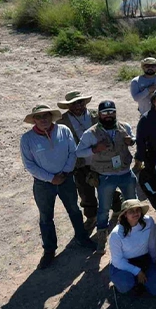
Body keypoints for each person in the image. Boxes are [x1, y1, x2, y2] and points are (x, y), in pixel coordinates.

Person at [21, 105, 96, 268]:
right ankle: (49, 250)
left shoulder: (63, 130)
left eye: (46, 116)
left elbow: (72, 152)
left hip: (66, 179)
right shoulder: (27, 139)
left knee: (74, 210)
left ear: (51, 117)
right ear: (34, 120)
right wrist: (51, 178)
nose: (43, 120)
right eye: (39, 117)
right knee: (46, 217)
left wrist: (64, 172)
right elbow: (29, 165)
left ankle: (82, 238)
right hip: (43, 183)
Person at [75, 100, 137, 232]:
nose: (108, 115)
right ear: (99, 114)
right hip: (105, 176)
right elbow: (79, 152)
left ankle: (134, 228)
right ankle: (102, 234)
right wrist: (95, 149)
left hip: (126, 173)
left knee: (133, 204)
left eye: (111, 112)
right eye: (105, 113)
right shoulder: (90, 133)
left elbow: (133, 138)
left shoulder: (124, 127)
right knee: (104, 209)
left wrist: (131, 141)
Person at [107, 199, 156, 297]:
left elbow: (152, 243)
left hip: (144, 259)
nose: (135, 213)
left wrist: (153, 261)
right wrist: (137, 271)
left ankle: (141, 282)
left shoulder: (149, 221)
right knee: (125, 284)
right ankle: (127, 281)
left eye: (138, 210)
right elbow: (117, 261)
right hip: (124, 263)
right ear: (125, 214)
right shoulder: (116, 234)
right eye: (131, 211)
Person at [57, 90, 98, 227]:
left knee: (108, 186)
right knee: (85, 191)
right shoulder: (61, 121)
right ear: (68, 106)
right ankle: (91, 216)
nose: (78, 106)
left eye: (80, 102)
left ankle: (116, 209)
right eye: (73, 103)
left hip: (100, 159)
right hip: (79, 162)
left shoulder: (96, 115)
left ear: (85, 102)